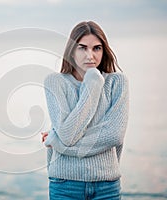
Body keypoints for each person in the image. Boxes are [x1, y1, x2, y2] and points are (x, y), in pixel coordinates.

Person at [41, 21, 129, 200]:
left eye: (97, 48)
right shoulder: (55, 82)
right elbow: (67, 135)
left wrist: (56, 142)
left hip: (107, 186)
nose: (90, 55)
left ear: (104, 51)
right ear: (71, 51)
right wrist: (93, 82)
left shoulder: (117, 82)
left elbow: (114, 135)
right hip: (65, 185)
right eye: (82, 48)